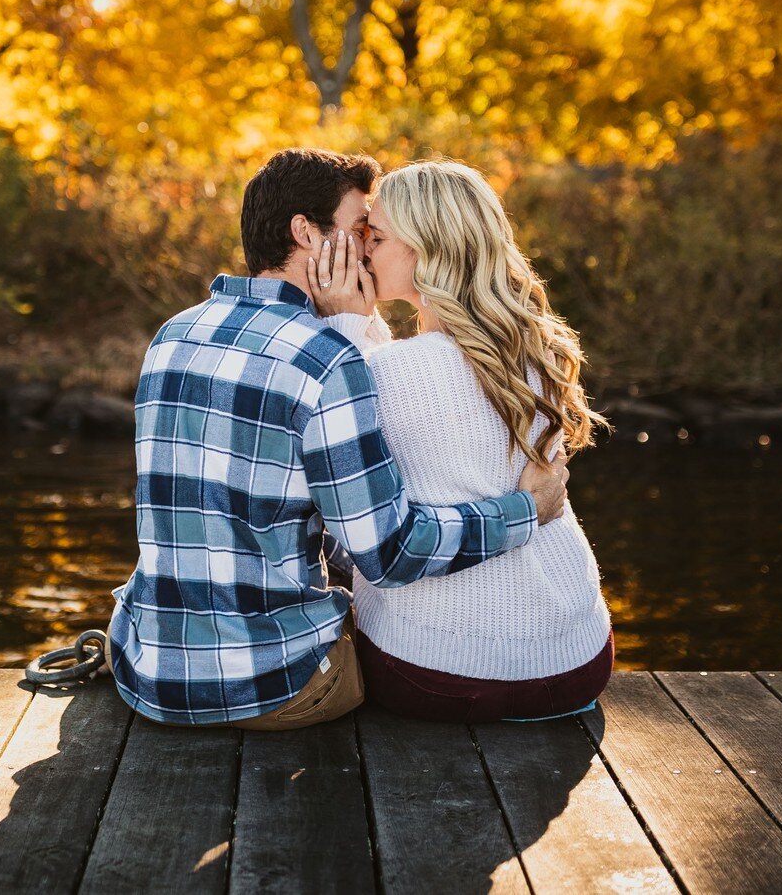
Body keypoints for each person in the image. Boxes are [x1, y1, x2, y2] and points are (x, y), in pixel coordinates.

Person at [105, 148, 568, 729]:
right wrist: (526, 510)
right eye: (358, 230)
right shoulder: (326, 360)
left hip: (147, 668)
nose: (368, 251)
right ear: (305, 231)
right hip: (273, 687)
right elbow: (388, 554)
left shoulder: (174, 333)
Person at [310, 160, 614, 724]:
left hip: (435, 673)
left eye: (374, 238)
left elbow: (361, 536)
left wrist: (339, 324)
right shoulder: (540, 349)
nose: (362, 253)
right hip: (577, 663)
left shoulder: (381, 373)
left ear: (426, 251)